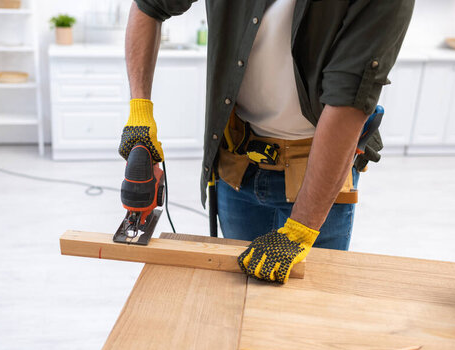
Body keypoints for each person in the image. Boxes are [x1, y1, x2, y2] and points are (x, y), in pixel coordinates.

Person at [118, 0, 414, 283]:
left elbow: (348, 98)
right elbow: (149, 5)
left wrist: (302, 228)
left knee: (306, 308)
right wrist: (139, 111)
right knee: (239, 300)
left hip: (317, 178)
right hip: (238, 168)